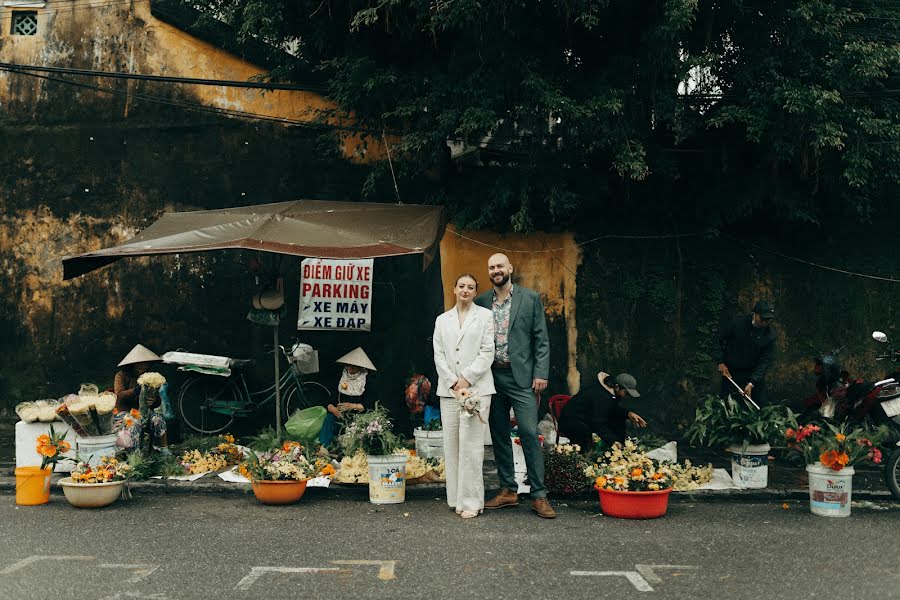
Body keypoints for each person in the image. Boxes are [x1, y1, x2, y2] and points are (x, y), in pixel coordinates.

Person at [475, 253, 555, 519]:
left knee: (530, 433)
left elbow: (540, 339)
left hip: (521, 378)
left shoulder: (530, 298)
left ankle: (539, 495)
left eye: (500, 266)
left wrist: (540, 373)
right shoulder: (481, 301)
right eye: (491, 267)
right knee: (498, 434)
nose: (496, 270)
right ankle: (508, 490)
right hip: (491, 377)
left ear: (510, 268)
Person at [433, 274, 496, 519]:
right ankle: (456, 498)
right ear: (455, 288)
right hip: (448, 391)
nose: (465, 290)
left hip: (476, 389)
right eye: (462, 286)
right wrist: (452, 381)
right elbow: (439, 354)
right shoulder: (442, 319)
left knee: (471, 447)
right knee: (452, 446)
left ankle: (471, 501)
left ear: (476, 291)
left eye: (471, 287)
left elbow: (487, 351)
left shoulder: (485, 316)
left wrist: (467, 378)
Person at [558, 372, 646, 451]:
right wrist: (613, 442)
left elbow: (613, 409)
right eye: (626, 393)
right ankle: (582, 461)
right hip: (570, 421)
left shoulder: (610, 393)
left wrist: (628, 414)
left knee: (619, 418)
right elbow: (598, 423)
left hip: (586, 418)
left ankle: (620, 449)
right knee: (585, 434)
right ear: (617, 387)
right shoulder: (600, 395)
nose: (627, 396)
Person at [715, 300, 777, 406]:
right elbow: (718, 339)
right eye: (762, 318)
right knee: (727, 406)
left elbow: (765, 361)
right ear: (754, 314)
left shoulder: (769, 335)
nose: (765, 323)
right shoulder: (737, 323)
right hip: (731, 372)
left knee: (760, 407)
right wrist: (720, 362)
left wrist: (752, 382)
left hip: (753, 374)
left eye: (768, 320)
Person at [113, 344, 168, 450]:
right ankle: (136, 453)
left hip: (144, 412)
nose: (141, 367)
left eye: (144, 364)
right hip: (125, 412)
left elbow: (157, 400)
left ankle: (163, 449)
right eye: (138, 364)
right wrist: (135, 390)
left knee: (158, 419)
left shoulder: (149, 377)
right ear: (132, 364)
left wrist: (154, 400)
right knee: (135, 422)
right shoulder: (121, 375)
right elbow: (119, 396)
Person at [318, 347, 377, 446]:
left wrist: (353, 406)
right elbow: (329, 400)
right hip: (340, 416)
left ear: (360, 366)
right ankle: (323, 447)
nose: (351, 368)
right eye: (349, 365)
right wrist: (333, 409)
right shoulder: (341, 377)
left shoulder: (367, 380)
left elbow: (370, 404)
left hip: (358, 418)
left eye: (354, 366)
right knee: (329, 418)